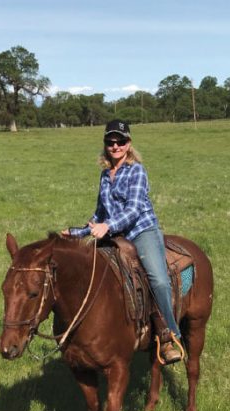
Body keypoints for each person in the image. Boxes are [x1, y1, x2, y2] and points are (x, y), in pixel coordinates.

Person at [63, 119, 184, 364]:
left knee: (158, 280)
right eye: (111, 141)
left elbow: (135, 208)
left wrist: (108, 226)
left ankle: (170, 334)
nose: (115, 146)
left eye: (121, 141)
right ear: (105, 144)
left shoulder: (136, 170)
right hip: (116, 234)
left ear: (129, 144)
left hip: (141, 230)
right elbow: (99, 213)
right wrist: (77, 232)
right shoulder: (105, 175)